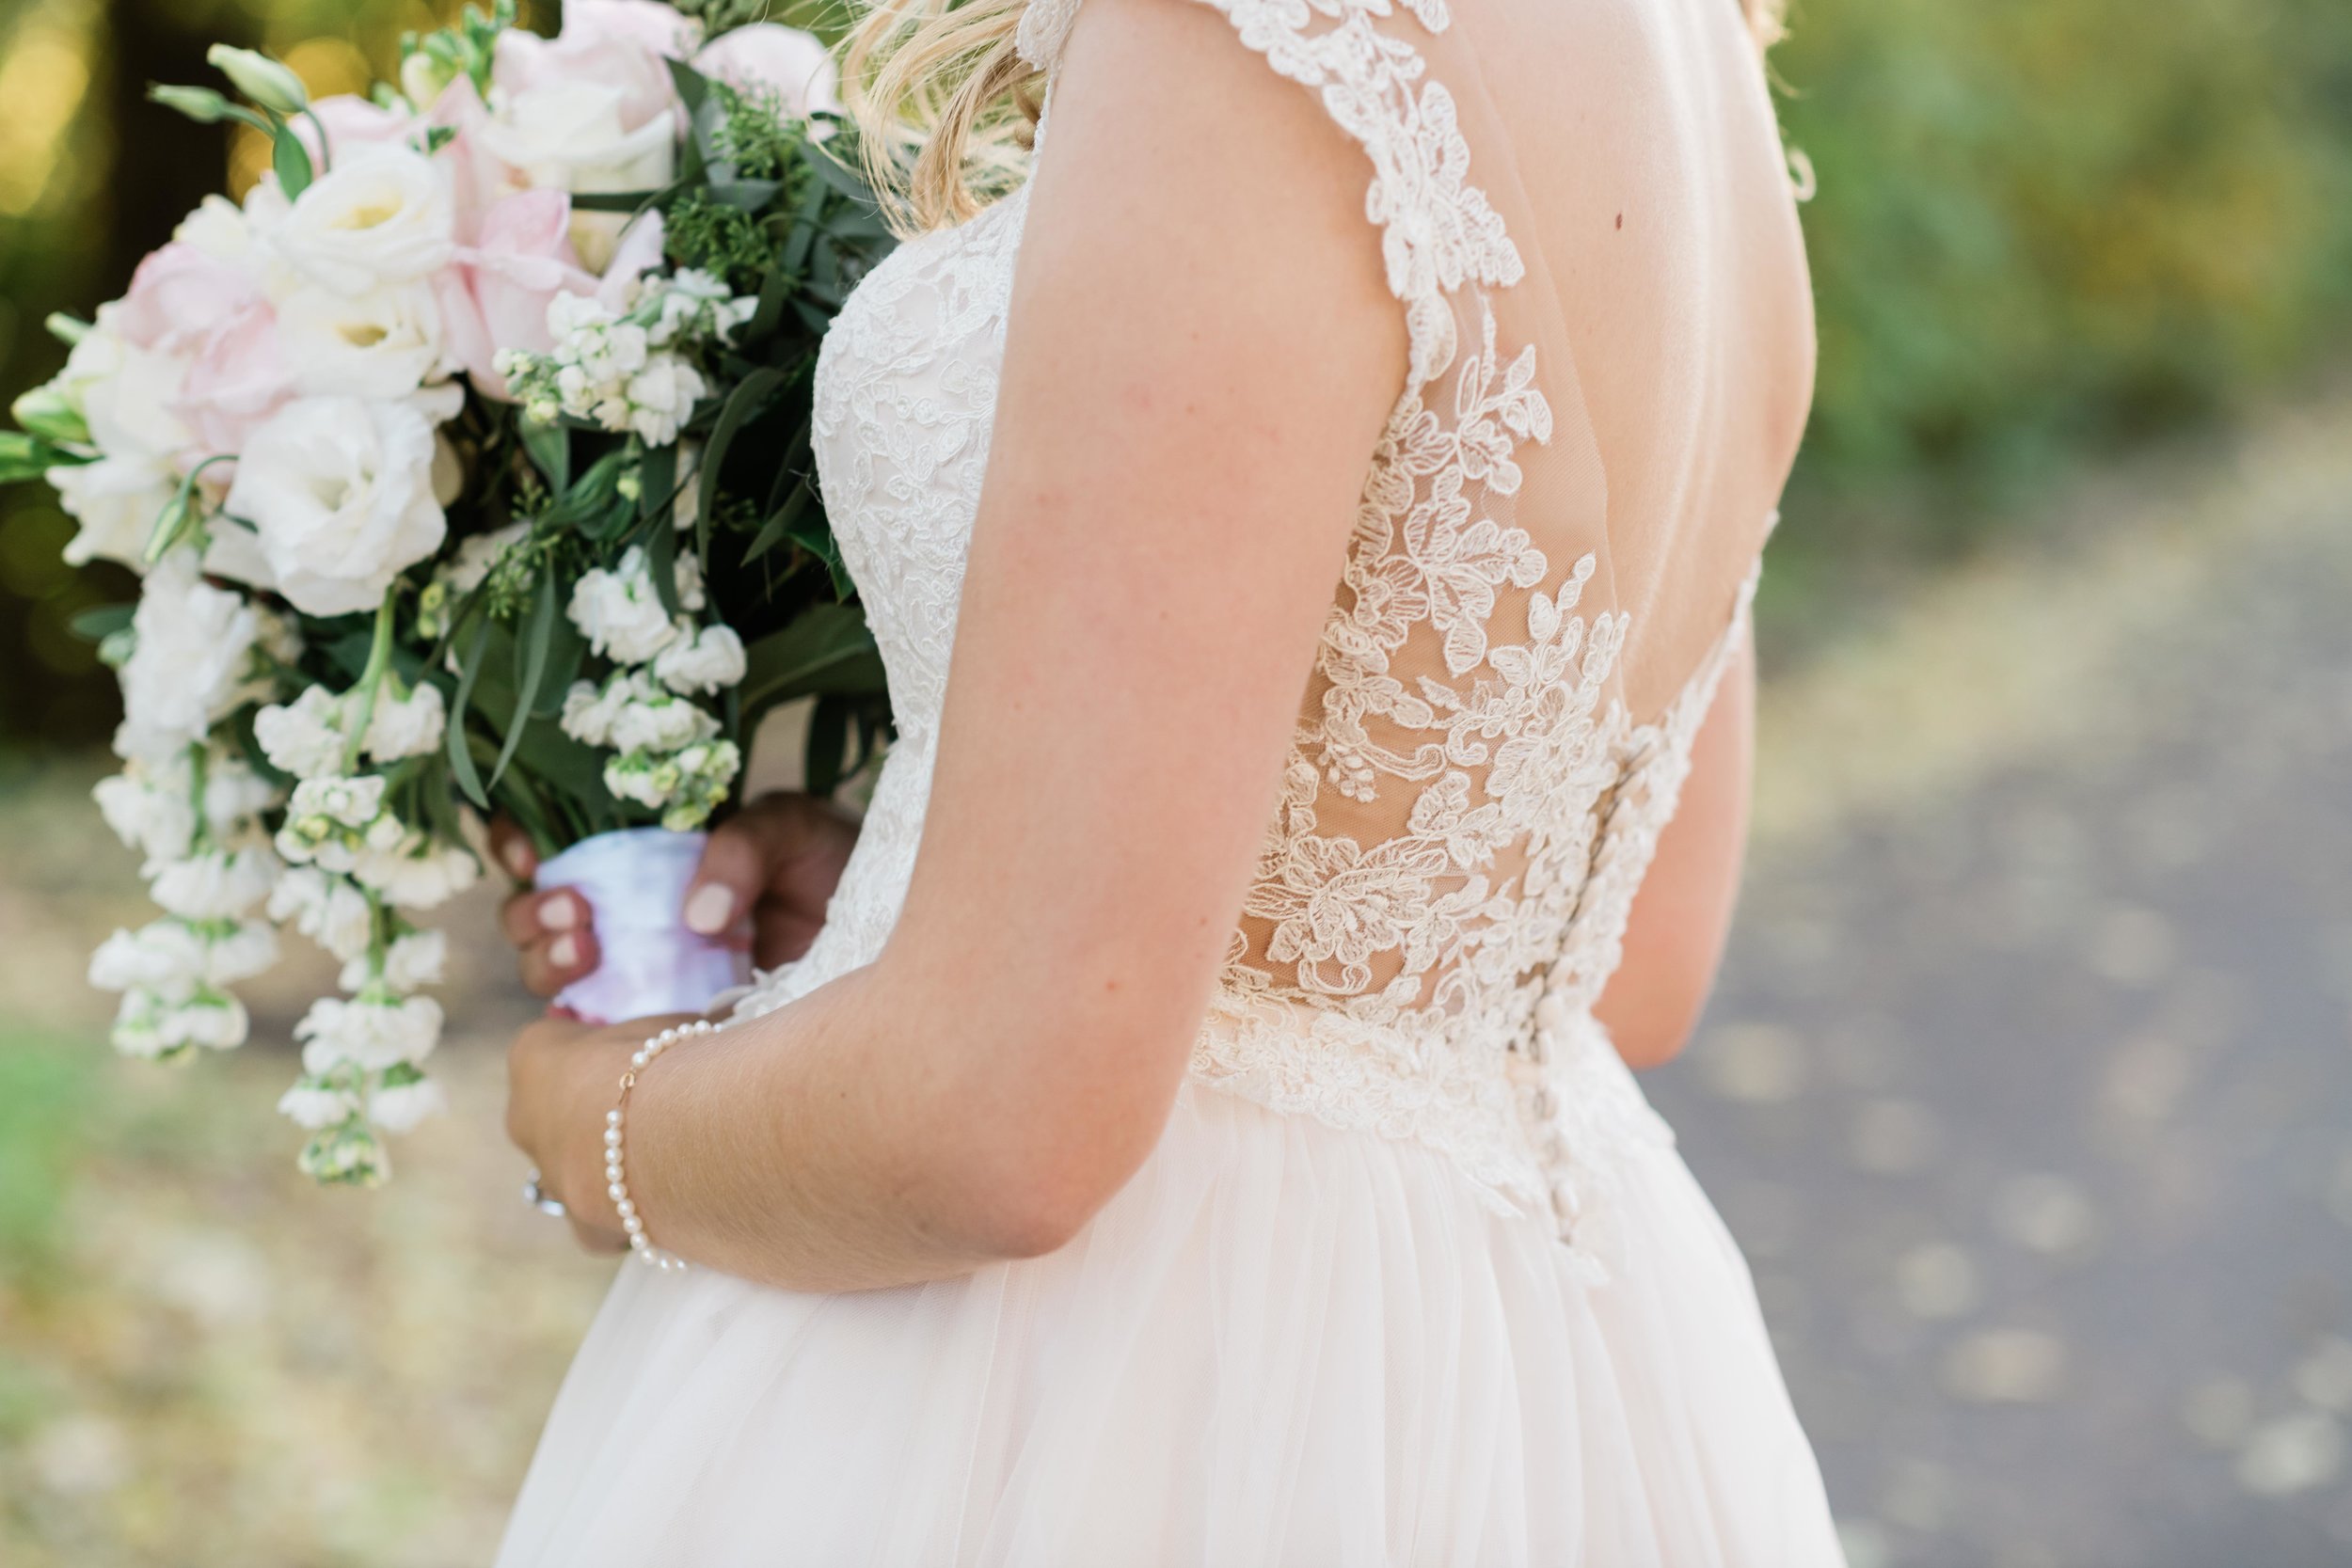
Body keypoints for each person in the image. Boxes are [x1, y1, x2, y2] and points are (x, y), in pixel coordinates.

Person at [494, 0, 1841, 1558]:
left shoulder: (1253, 27)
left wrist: (592, 1125)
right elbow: (1629, 970)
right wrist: (945, 859)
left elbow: (999, 1123)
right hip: (1540, 1377)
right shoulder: (1709, 61)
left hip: (1125, 1397)